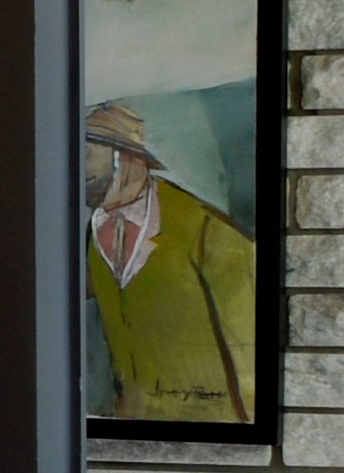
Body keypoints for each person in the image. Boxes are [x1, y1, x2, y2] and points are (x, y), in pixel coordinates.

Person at [81, 99, 263, 428]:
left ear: (127, 157)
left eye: (85, 155)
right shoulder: (93, 237)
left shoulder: (213, 235)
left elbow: (249, 350)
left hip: (215, 429)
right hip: (132, 429)